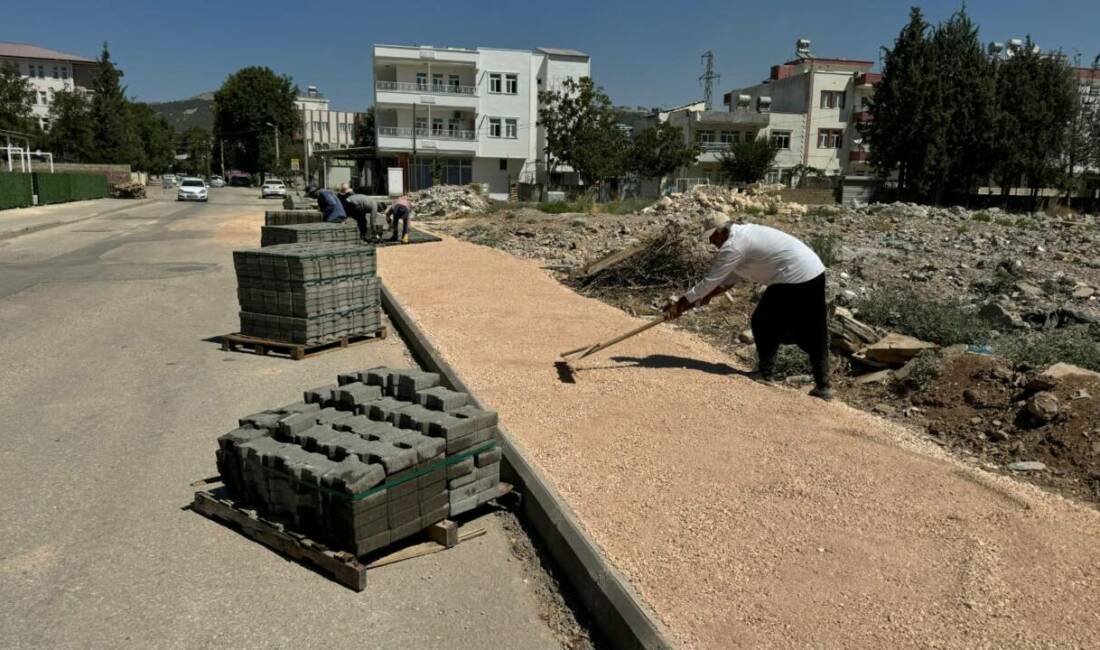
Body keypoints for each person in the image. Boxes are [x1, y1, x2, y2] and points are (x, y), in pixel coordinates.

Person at [666, 214, 833, 400]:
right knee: (813, 328)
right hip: (814, 270)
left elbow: (710, 281)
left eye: (712, 237)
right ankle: (823, 386)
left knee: (763, 322)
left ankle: (766, 373)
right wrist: (706, 298)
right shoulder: (743, 237)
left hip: (793, 275)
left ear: (720, 232)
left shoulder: (734, 246)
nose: (711, 243)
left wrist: (679, 305)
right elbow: (729, 280)